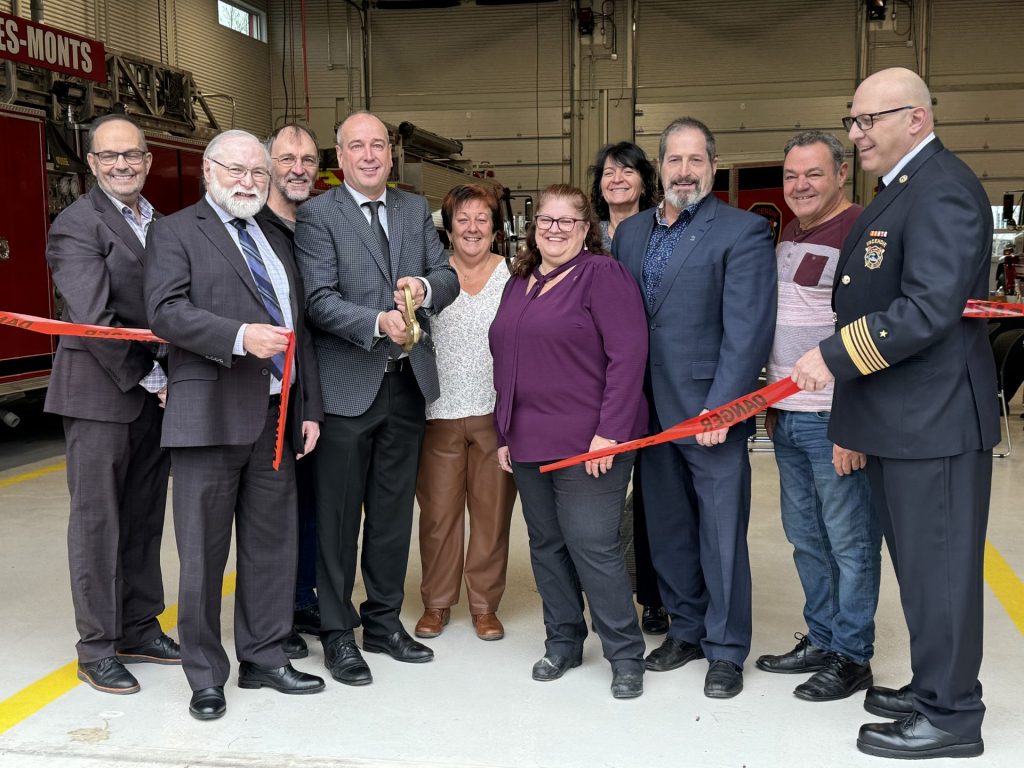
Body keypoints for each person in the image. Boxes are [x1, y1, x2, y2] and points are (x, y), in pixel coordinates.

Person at [791, 68, 999, 759]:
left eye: (867, 121)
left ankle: (952, 716)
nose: (856, 135)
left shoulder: (942, 189)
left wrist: (835, 357)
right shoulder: (904, 190)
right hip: (904, 419)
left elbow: (928, 309)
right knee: (921, 570)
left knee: (939, 573)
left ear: (915, 118)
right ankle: (933, 684)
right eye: (852, 121)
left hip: (933, 421)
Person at [145, 129, 326, 720]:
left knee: (273, 545)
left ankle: (264, 657)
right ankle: (205, 674)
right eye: (237, 170)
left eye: (257, 172)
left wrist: (309, 408)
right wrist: (239, 337)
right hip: (209, 415)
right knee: (202, 554)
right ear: (208, 170)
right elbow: (166, 312)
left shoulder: (274, 237)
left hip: (275, 414)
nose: (248, 181)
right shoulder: (175, 230)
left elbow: (299, 330)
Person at [613, 117, 777, 699]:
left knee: (721, 533)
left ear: (712, 165)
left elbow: (748, 332)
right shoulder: (629, 234)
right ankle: (685, 630)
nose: (684, 171)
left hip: (710, 412)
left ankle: (727, 649)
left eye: (696, 160)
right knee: (669, 527)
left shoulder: (742, 232)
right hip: (649, 414)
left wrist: (724, 411)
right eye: (675, 161)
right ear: (662, 167)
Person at [294, 111, 459, 687]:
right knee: (338, 521)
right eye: (356, 146)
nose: (368, 155)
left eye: (378, 145)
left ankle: (383, 623)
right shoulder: (318, 215)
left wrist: (424, 287)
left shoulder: (414, 210)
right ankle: (339, 634)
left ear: (391, 155)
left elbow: (448, 275)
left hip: (406, 385)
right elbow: (317, 300)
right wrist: (377, 321)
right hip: (346, 391)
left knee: (391, 516)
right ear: (340, 158)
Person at [490, 184, 649, 699]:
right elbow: (505, 359)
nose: (554, 230)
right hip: (528, 437)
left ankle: (625, 654)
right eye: (545, 221)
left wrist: (611, 433)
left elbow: (629, 357)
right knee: (546, 544)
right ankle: (563, 640)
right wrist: (503, 432)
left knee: (591, 544)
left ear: (587, 229)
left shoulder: (602, 276)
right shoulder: (520, 280)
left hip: (589, 441)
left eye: (566, 221)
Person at [44, 113, 179, 695]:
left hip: (157, 394)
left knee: (145, 515)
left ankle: (139, 626)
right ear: (92, 165)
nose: (122, 164)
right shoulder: (77, 227)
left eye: (132, 155)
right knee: (98, 522)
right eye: (109, 157)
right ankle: (96, 646)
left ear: (148, 161)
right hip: (102, 394)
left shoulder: (163, 225)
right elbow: (93, 320)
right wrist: (153, 377)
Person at [755, 131, 881, 702]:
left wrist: (854, 423)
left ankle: (852, 657)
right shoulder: (793, 231)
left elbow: (872, 331)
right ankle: (824, 637)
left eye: (813, 174)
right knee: (805, 537)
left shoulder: (860, 229)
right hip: (787, 412)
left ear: (840, 175)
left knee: (849, 542)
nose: (800, 186)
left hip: (835, 419)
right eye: (791, 177)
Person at [413, 184, 517, 642]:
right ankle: (436, 602)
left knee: (492, 516)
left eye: (482, 219)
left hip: (495, 416)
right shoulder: (431, 278)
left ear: (495, 229)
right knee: (438, 515)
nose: (472, 228)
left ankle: (483, 605)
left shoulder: (515, 275)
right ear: (448, 228)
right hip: (439, 412)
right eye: (463, 219)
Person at [588, 141, 666, 635]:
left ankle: (654, 594)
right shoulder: (585, 235)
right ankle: (605, 591)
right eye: (608, 172)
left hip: (655, 380)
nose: (617, 178)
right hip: (597, 382)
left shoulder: (662, 231)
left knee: (653, 496)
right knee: (601, 495)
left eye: (627, 170)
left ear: (643, 180)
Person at [259, 122, 322, 659]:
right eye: (287, 158)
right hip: (269, 395)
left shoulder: (317, 224)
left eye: (306, 158)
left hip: (315, 391)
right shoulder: (252, 229)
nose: (298, 168)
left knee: (313, 503)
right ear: (267, 164)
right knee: (274, 510)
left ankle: (305, 599)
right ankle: (279, 612)